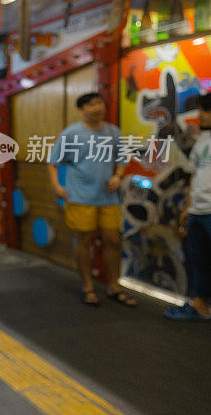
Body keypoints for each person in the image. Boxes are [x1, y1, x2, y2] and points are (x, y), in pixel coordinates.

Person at [48, 92, 136, 307]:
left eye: (99, 103)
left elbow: (121, 159)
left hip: (109, 197)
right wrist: (57, 187)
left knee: (113, 241)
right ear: (81, 110)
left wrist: (118, 175)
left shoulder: (113, 132)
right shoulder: (71, 134)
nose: (97, 107)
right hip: (80, 196)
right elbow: (53, 162)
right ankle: (88, 287)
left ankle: (113, 286)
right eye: (91, 104)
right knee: (84, 241)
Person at [165, 92, 211, 320]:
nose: (201, 115)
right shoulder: (203, 140)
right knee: (201, 262)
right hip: (198, 212)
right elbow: (195, 176)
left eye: (206, 110)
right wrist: (188, 208)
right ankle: (201, 305)